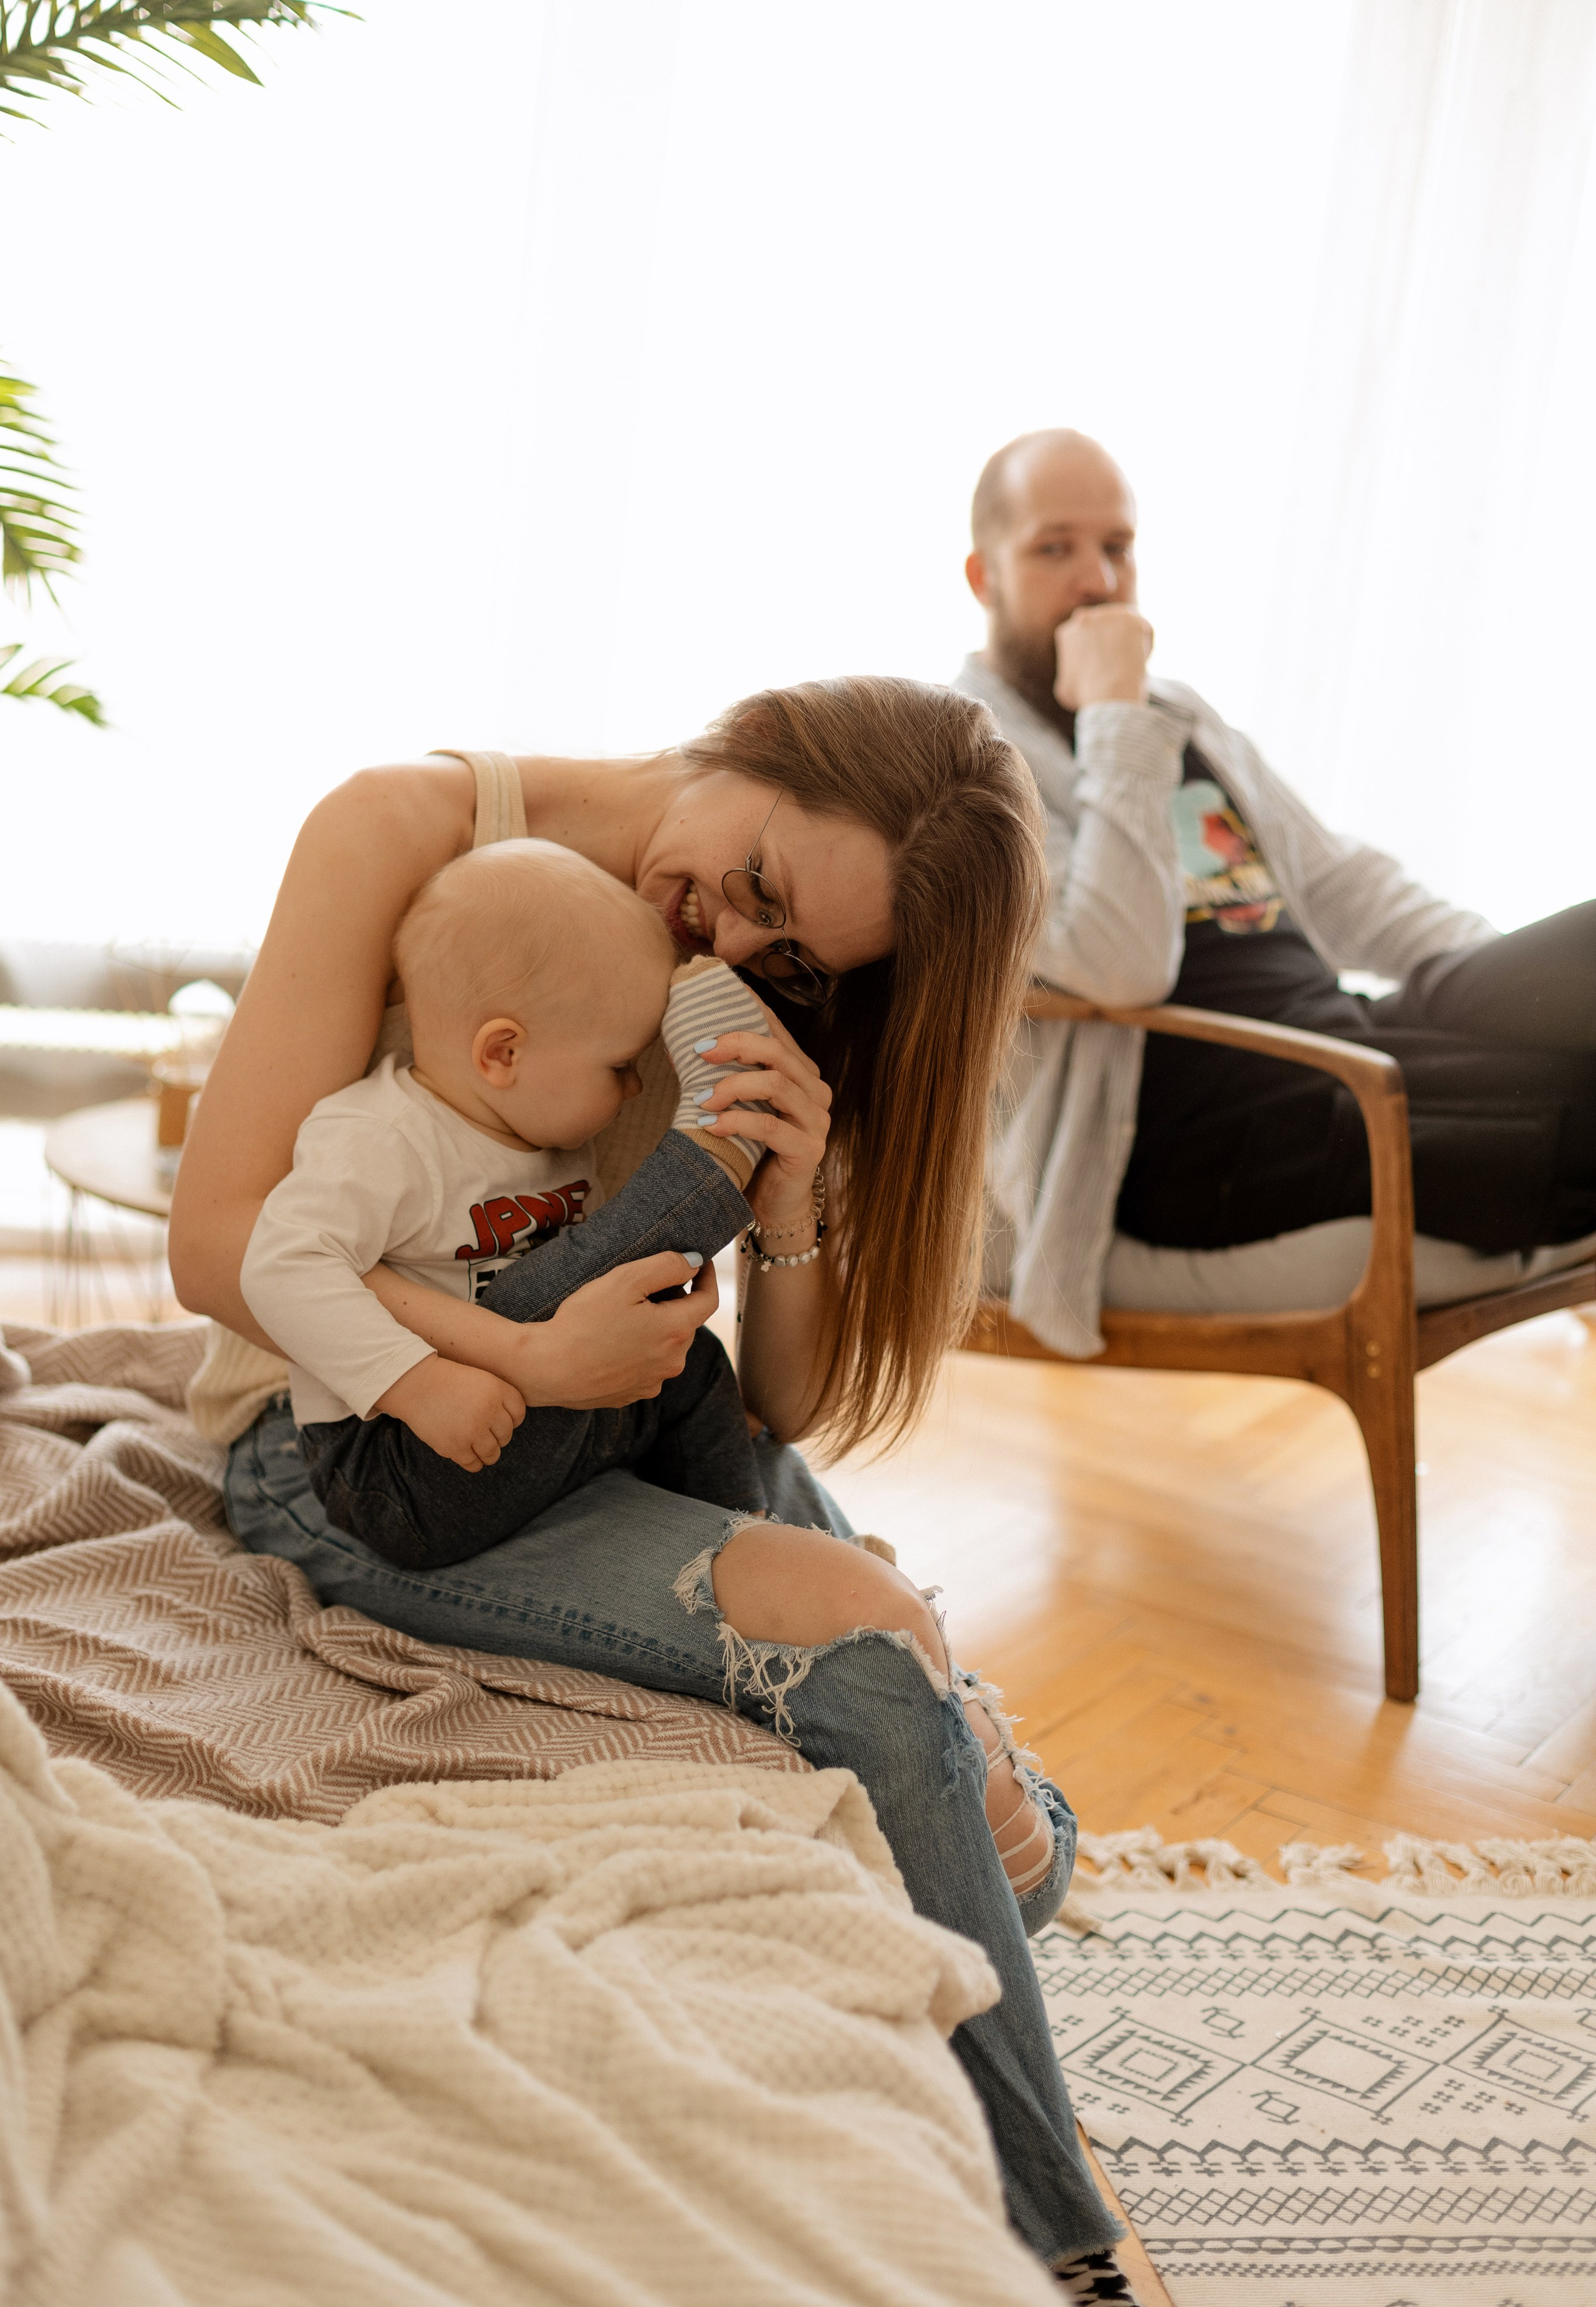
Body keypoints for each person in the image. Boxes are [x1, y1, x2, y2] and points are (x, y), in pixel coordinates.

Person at [169, 696, 1138, 2297]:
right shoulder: (407, 837)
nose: (728, 933)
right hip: (358, 1441)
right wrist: (524, 1356)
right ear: (748, 736)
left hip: (604, 1426)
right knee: (875, 1668)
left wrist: (797, 1201)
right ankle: (1071, 2246)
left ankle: (946, 1725)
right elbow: (226, 1250)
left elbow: (773, 1411)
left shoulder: (752, 992)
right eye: (749, 873)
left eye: (791, 947)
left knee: (876, 1644)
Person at [957, 428, 1596, 1359]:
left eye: (1118, 547)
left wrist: (1503, 985)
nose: (1097, 581)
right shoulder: (971, 762)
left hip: (1342, 1041)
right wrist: (1111, 719)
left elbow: (1342, 884)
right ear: (985, 577)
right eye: (1056, 548)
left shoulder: (1176, 712)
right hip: (1221, 1121)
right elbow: (1119, 963)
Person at [240, 837, 787, 1568]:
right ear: (503, 1054)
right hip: (395, 1457)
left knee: (693, 1362)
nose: (632, 1091)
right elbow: (278, 1268)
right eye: (621, 1065)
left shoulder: (550, 1141)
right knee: (577, 1282)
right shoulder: (380, 1138)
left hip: (527, 1421)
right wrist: (414, 1383)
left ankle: (747, 1538)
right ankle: (712, 1159)